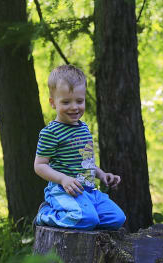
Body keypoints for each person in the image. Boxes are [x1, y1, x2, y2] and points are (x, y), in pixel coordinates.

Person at [33, 64, 126, 230]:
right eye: (66, 102)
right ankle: (45, 214)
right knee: (87, 220)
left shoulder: (83, 128)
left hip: (88, 191)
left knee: (117, 218)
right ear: (53, 103)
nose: (74, 107)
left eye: (79, 101)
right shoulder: (50, 132)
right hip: (63, 191)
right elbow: (39, 166)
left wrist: (102, 175)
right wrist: (63, 179)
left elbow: (86, 162)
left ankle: (84, 216)